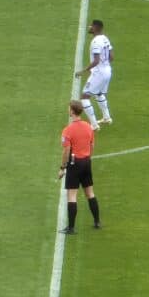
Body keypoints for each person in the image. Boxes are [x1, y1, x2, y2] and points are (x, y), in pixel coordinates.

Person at [57, 100, 101, 234]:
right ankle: (97, 222)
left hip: (74, 163)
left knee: (72, 195)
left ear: (72, 111)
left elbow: (66, 150)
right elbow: (92, 145)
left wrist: (62, 167)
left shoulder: (68, 130)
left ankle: (71, 228)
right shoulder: (88, 126)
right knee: (90, 193)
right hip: (86, 162)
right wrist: (87, 157)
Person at [75, 19, 114, 130]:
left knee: (84, 97)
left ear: (96, 28)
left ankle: (94, 125)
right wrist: (105, 64)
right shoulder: (105, 38)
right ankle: (107, 117)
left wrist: (83, 71)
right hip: (107, 71)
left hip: (99, 72)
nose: (90, 27)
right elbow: (111, 57)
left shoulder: (96, 42)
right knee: (99, 93)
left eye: (91, 26)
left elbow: (96, 61)